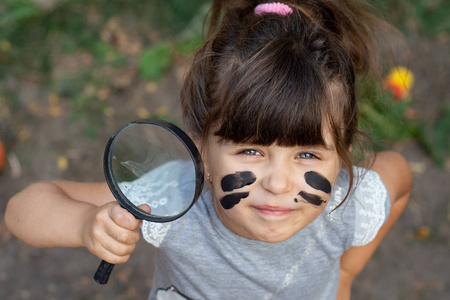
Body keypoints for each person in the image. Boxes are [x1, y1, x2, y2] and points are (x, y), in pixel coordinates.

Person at [5, 0, 412, 299]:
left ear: (341, 154)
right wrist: (84, 224)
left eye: (307, 154)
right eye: (251, 150)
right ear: (202, 150)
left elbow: (399, 179)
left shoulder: (349, 203)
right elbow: (22, 209)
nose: (278, 182)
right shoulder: (176, 199)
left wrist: (345, 275)